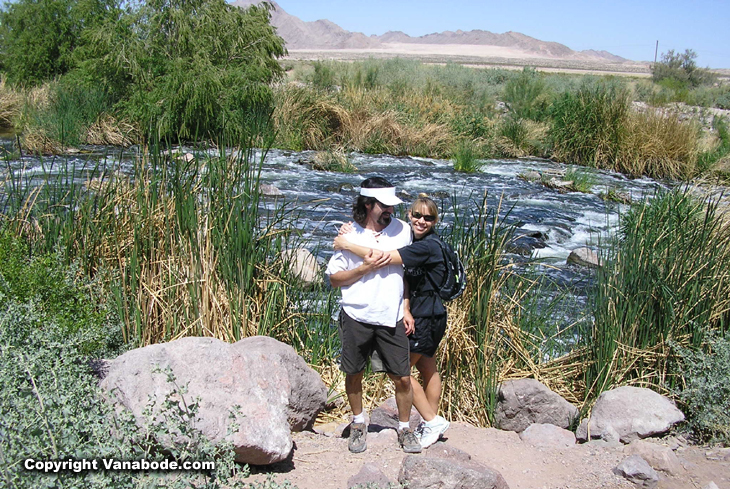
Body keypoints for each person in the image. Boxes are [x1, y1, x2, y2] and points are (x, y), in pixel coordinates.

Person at [334, 194, 450, 449]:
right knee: (428, 367)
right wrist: (350, 229)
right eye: (417, 215)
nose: (421, 221)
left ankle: (430, 421)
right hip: (421, 312)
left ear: (435, 220)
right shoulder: (408, 233)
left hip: (425, 314)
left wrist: (346, 243)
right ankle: (431, 421)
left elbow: (384, 258)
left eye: (428, 218)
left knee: (402, 373)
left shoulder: (427, 245)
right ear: (409, 215)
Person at [325, 177, 422, 454]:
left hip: (390, 317)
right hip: (356, 315)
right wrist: (362, 269)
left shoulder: (402, 230)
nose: (390, 210)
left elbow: (391, 261)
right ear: (368, 205)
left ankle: (404, 428)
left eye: (392, 205)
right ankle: (358, 423)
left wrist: (405, 306)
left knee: (403, 377)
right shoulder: (350, 234)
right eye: (384, 205)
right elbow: (334, 280)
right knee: (354, 372)